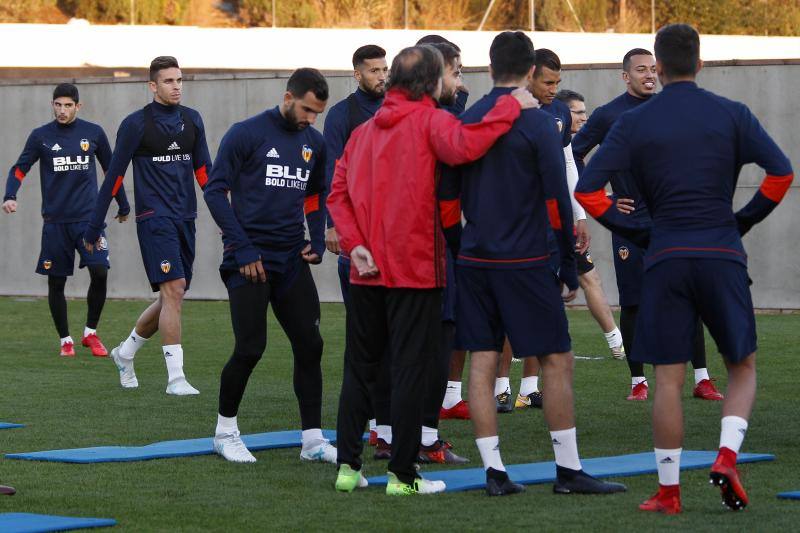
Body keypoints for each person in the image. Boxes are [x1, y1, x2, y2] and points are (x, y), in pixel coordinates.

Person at [575, 23, 793, 514]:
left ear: (660, 65)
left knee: (668, 377)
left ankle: (669, 492)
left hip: (666, 255)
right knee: (742, 366)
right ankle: (725, 455)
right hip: (721, 252)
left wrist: (638, 232)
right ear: (699, 62)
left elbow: (587, 190)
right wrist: (742, 222)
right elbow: (782, 174)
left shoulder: (632, 122)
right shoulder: (732, 113)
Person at [328, 44, 535, 495]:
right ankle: (402, 477)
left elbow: (336, 194)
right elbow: (467, 145)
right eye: (448, 74)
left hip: (366, 270)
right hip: (415, 272)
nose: (454, 81)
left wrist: (355, 244)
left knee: (359, 369)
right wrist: (510, 105)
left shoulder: (362, 132)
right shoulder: (432, 122)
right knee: (409, 372)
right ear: (430, 82)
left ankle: (348, 470)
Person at [441, 31, 626, 497]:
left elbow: (446, 198)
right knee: (557, 359)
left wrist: (463, 245)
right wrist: (568, 260)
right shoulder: (540, 122)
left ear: (489, 67)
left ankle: (495, 472)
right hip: (524, 260)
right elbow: (554, 198)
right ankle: (568, 470)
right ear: (529, 71)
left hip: (476, 258)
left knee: (482, 360)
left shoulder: (469, 117)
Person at [572, 48, 722, 402]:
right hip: (630, 223)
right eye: (641, 70)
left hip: (675, 220)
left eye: (654, 69)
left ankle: (702, 378)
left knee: (690, 296)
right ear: (626, 76)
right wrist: (603, 198)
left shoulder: (672, 107)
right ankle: (638, 382)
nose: (649, 75)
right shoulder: (609, 115)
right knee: (636, 301)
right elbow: (572, 153)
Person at [204, 68, 335, 465]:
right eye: (308, 109)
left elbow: (315, 196)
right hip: (249, 260)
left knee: (311, 346)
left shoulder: (315, 142)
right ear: (288, 95)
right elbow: (214, 191)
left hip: (292, 259)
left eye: (318, 113)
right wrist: (242, 249)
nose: (312, 119)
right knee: (250, 348)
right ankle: (224, 433)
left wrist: (316, 238)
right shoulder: (246, 133)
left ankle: (312, 441)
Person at [495, 49, 625, 413]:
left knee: (549, 300)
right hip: (514, 223)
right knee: (510, 306)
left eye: (557, 82)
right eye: (547, 81)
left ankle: (530, 388)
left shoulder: (558, 114)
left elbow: (567, 162)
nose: (553, 89)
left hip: (551, 223)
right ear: (529, 75)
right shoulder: (507, 109)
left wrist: (579, 213)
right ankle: (501, 387)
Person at [84, 56, 212, 395]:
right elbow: (113, 178)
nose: (176, 86)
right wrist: (93, 228)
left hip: (187, 217)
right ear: (153, 85)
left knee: (175, 293)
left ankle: (124, 354)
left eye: (180, 80)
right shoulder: (135, 125)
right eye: (169, 81)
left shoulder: (192, 120)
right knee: (174, 289)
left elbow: (205, 176)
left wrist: (229, 221)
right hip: (154, 219)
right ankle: (176, 379)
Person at [3, 83, 129, 357]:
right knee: (56, 282)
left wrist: (123, 202)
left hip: (88, 221)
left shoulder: (93, 133)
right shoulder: (41, 137)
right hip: (55, 223)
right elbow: (19, 168)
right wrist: (10, 195)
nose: (62, 110)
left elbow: (112, 170)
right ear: (53, 105)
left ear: (77, 106)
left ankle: (90, 334)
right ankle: (66, 340)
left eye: (68, 105)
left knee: (100, 271)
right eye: (58, 105)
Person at [323, 44, 388, 448]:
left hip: (394, 239)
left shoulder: (397, 108)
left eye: (385, 69)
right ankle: (363, 421)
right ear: (356, 74)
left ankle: (387, 423)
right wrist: (333, 226)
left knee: (391, 338)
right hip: (358, 242)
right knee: (363, 336)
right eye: (374, 70)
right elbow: (332, 172)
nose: (381, 76)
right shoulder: (343, 115)